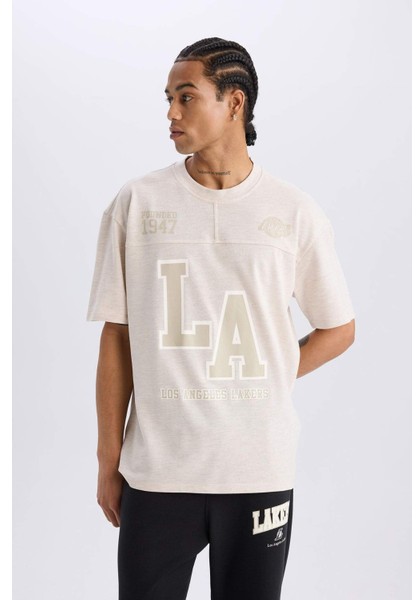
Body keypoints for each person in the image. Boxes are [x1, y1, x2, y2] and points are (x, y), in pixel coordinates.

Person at [86, 37, 355, 600]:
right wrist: (109, 460)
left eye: (186, 97)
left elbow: (338, 328)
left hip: (258, 470)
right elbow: (118, 336)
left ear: (234, 103)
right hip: (157, 473)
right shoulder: (137, 203)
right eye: (168, 98)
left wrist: (272, 369)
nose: (171, 112)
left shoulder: (293, 211)